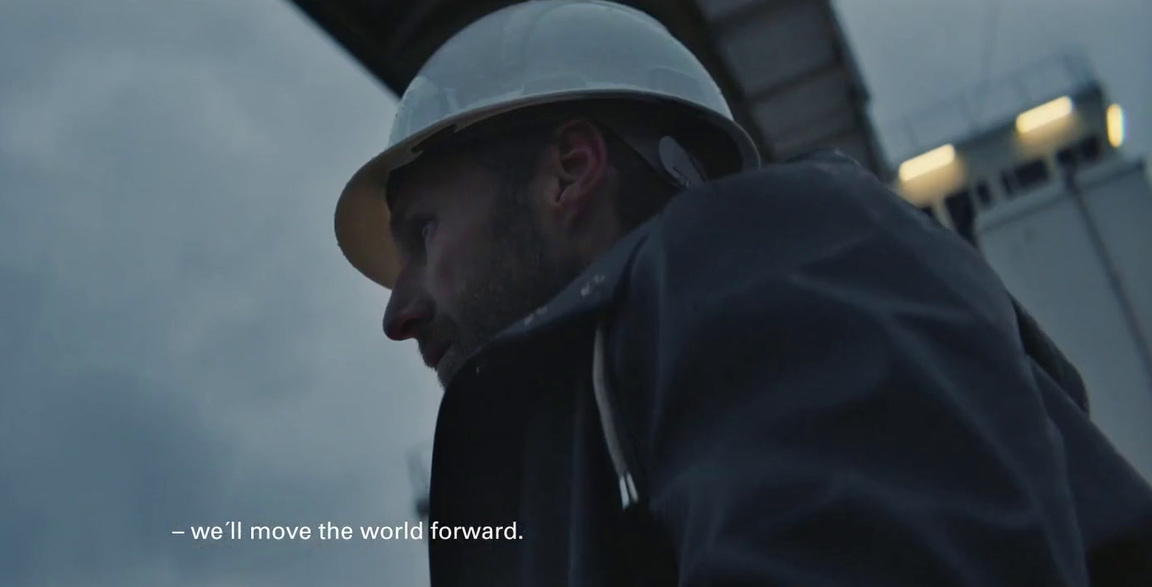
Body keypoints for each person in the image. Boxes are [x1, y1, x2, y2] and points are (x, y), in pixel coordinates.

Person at [329, 1, 1152, 585]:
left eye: (425, 234)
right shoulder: (618, 416)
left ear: (570, 172)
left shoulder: (775, 246)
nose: (397, 312)